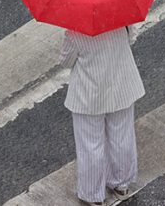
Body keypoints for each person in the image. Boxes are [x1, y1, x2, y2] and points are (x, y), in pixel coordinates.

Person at [58, 26, 145, 205]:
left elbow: (65, 61)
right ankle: (121, 184)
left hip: (89, 95)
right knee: (122, 137)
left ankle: (93, 194)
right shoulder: (122, 20)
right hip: (122, 86)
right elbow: (131, 39)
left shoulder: (75, 33)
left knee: (90, 145)